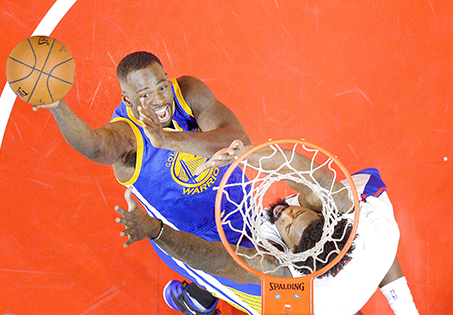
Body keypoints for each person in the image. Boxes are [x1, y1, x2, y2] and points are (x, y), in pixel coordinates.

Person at [33, 51, 255, 314]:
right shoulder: (127, 136)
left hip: (242, 205)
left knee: (285, 261)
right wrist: (60, 108)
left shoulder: (188, 92)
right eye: (145, 95)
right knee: (263, 289)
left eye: (161, 87)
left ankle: (195, 300)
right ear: (128, 99)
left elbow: (237, 141)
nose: (159, 99)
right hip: (195, 239)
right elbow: (94, 146)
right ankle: (199, 301)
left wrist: (167, 140)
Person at [115, 140, 420, 315]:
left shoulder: (296, 285)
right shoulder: (367, 223)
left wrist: (156, 230)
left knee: (239, 280)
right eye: (297, 214)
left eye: (286, 225)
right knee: (324, 193)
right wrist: (245, 155)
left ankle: (198, 299)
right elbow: (302, 170)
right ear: (325, 218)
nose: (285, 213)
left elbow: (218, 259)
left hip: (321, 301)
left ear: (293, 257)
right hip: (341, 280)